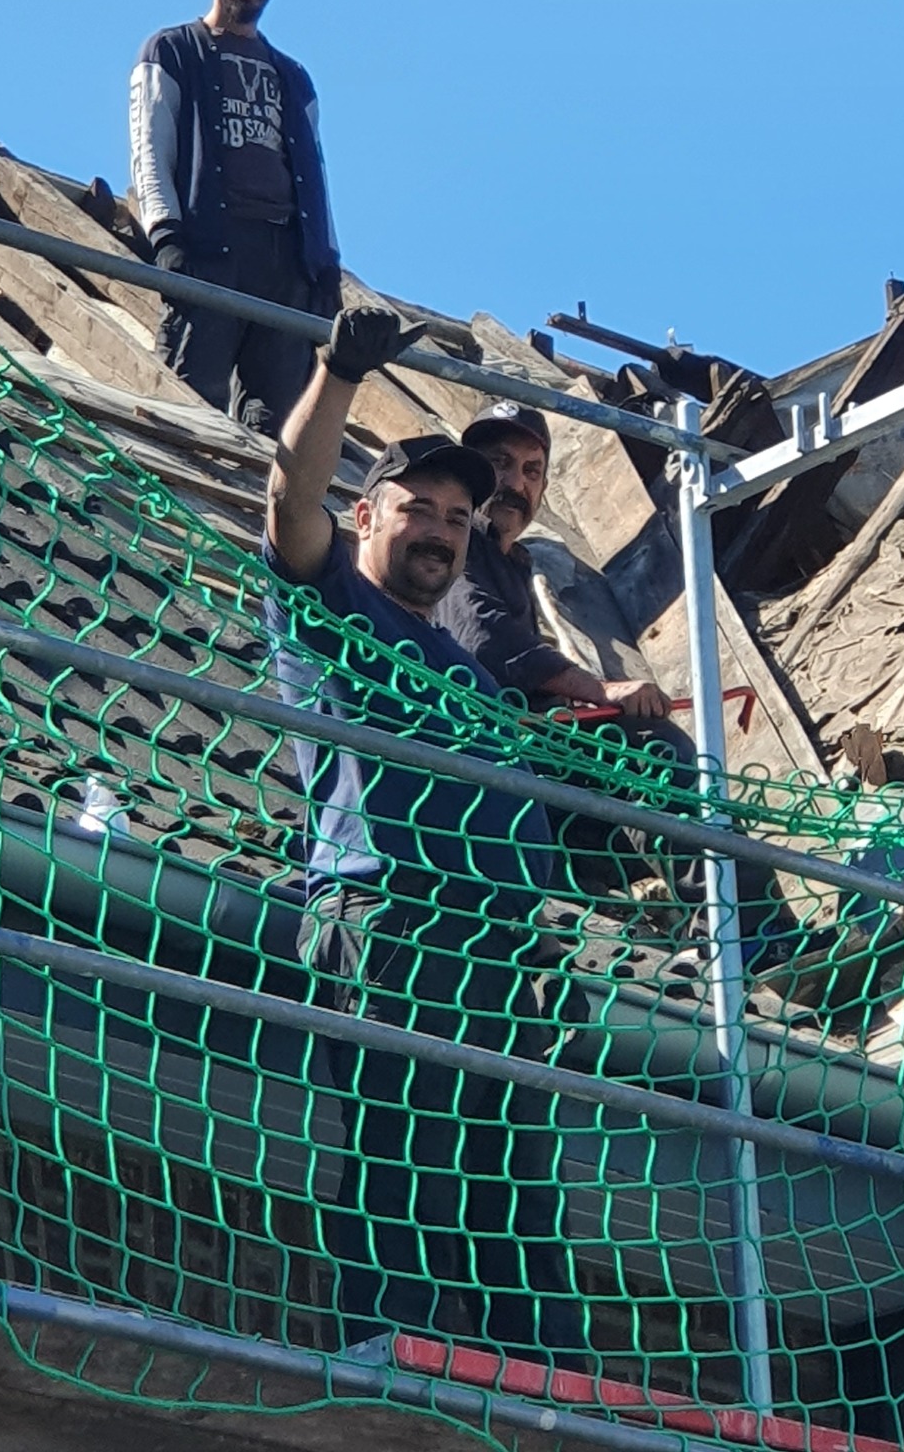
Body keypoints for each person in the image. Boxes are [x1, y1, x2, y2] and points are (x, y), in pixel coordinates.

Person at [263, 310, 588, 1368]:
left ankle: (540, 1379)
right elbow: (286, 503)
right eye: (418, 507)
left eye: (459, 514)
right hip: (395, 917)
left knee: (514, 1185)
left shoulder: (464, 668)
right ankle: (378, 1350)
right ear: (369, 514)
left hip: (493, 944)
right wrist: (337, 372)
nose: (442, 529)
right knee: (404, 1145)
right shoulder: (335, 606)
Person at [437, 400, 805, 970]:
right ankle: (749, 938)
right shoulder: (459, 541)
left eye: (532, 471)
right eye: (499, 464)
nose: (515, 484)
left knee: (636, 802)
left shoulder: (508, 562)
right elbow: (484, 640)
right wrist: (599, 690)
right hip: (488, 757)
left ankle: (726, 937)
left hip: (524, 763)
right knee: (656, 750)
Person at [130, 0, 341, 433]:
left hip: (285, 263)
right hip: (210, 249)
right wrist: (167, 238)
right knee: (188, 409)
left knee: (277, 428)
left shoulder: (293, 77)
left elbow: (315, 174)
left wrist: (326, 265)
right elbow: (150, 150)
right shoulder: (174, 50)